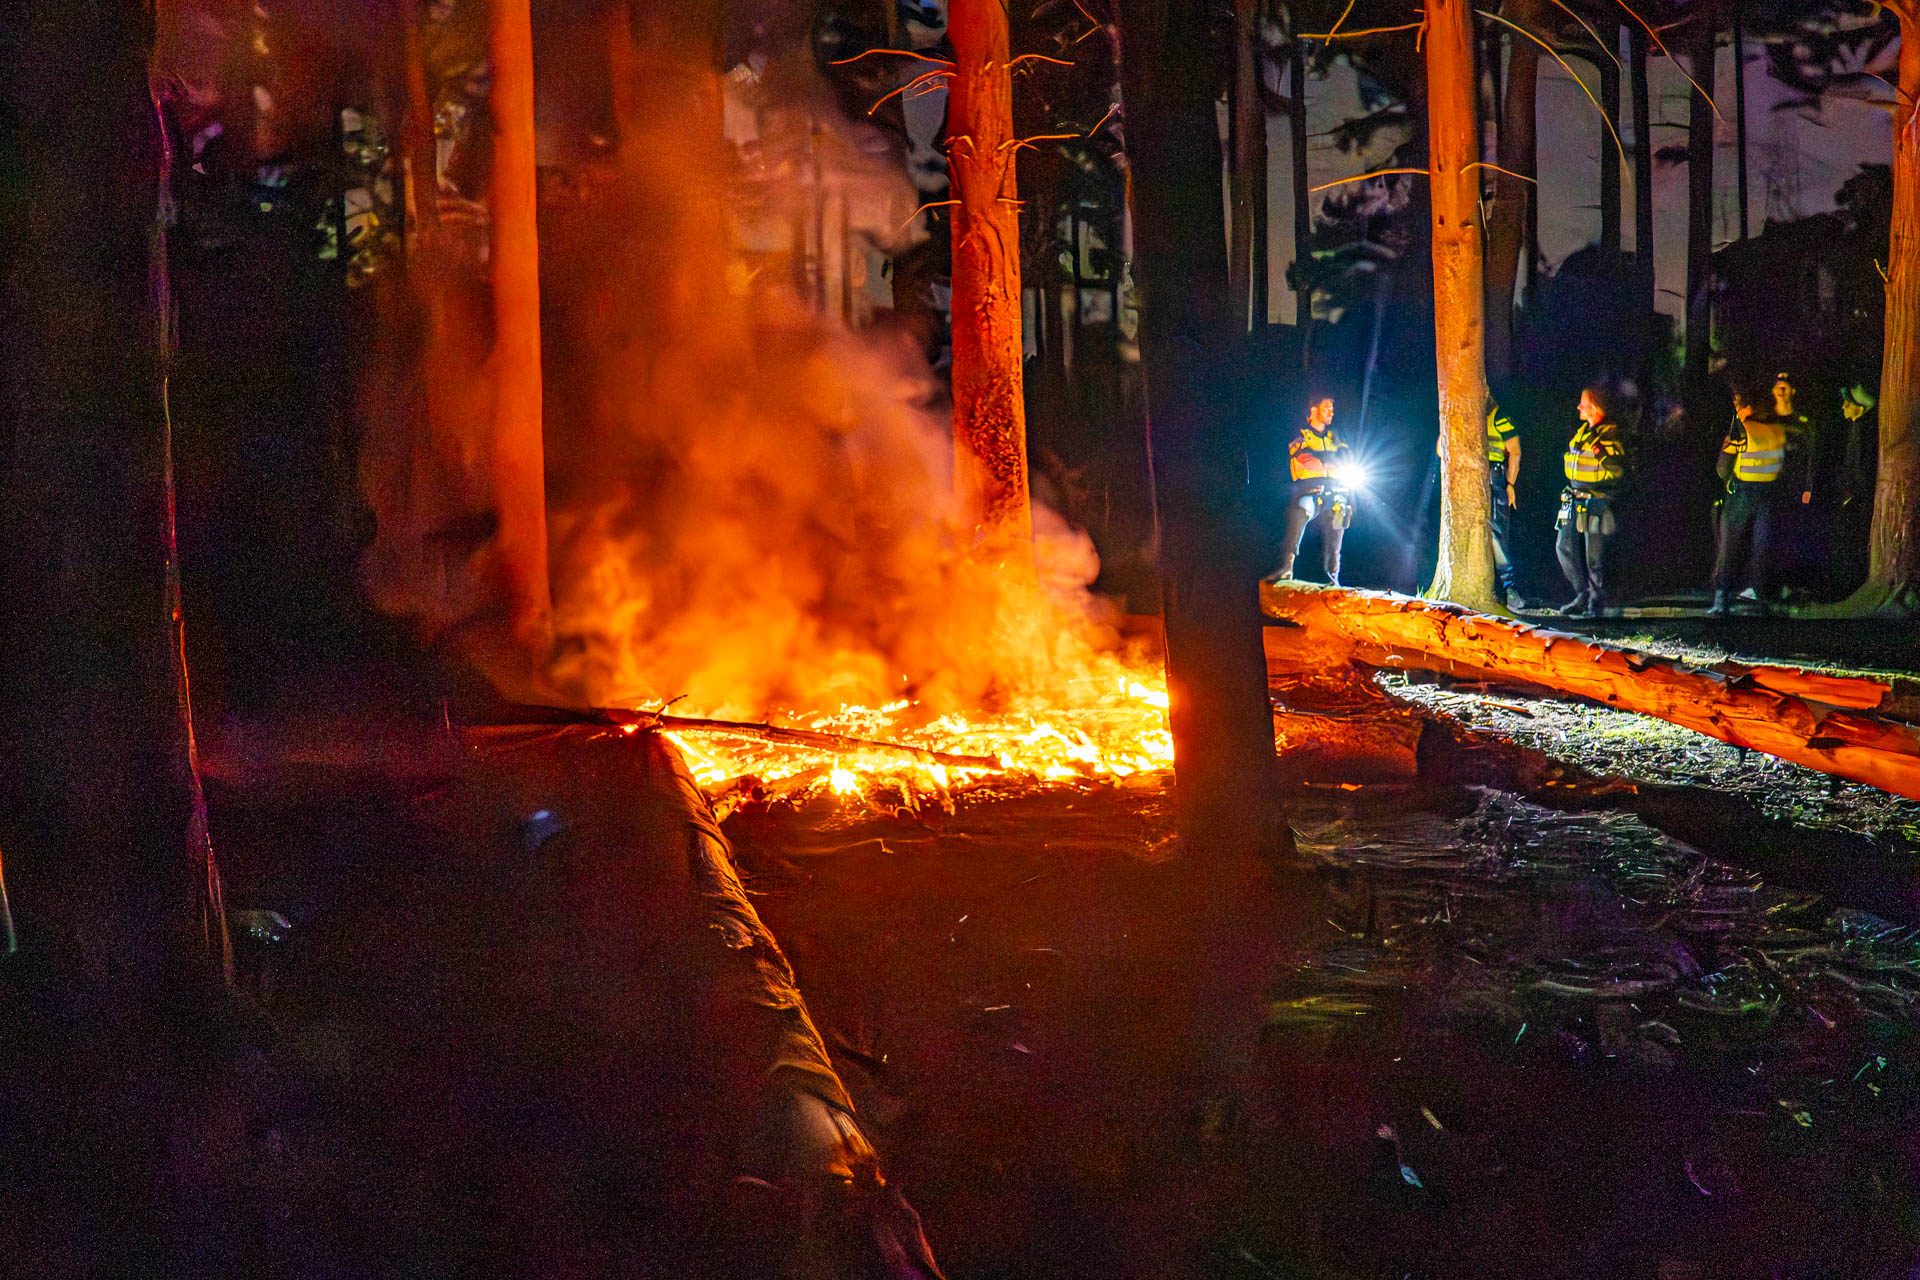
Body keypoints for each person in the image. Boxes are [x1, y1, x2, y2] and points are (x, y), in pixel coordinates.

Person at [1709, 381, 1801, 616]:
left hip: (1742, 493)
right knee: (1763, 546)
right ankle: (1762, 596)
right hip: (1770, 495)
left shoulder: (1742, 428)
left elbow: (1722, 468)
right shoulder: (1778, 429)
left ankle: (1722, 599)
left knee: (1729, 546)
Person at [1555, 381, 1628, 617]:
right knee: (1563, 546)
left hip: (1596, 501)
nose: (1578, 407)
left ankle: (1596, 603)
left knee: (1594, 556)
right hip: (1573, 497)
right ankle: (1581, 593)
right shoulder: (1582, 431)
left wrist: (1600, 450)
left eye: (1583, 404)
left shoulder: (1610, 433)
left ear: (1595, 407)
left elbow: (1617, 468)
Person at [1268, 391, 1354, 586]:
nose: (1331, 411)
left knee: (1340, 519)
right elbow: (1306, 460)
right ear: (1313, 410)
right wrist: (1330, 463)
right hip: (1310, 491)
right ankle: (1286, 566)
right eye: (1327, 408)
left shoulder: (1335, 437)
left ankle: (1333, 576)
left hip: (1336, 491)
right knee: (1299, 512)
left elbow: (1348, 457)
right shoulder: (1301, 435)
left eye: (1332, 408)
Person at [1487, 397, 1525, 610]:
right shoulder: (1462, 412)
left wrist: (1510, 483)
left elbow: (1515, 450)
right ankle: (1504, 590)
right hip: (1477, 476)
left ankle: (1510, 590)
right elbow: (1440, 448)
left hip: (1494, 479)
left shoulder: (1499, 417)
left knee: (1497, 536)